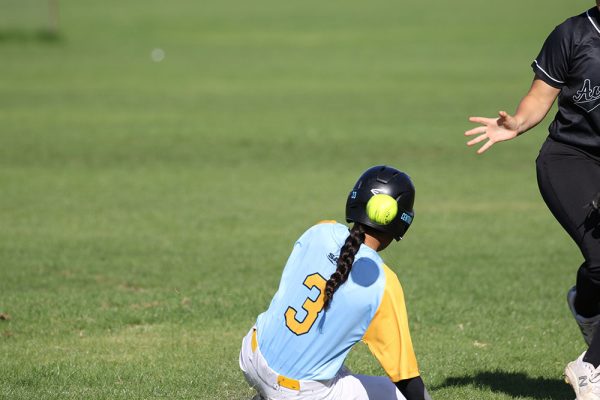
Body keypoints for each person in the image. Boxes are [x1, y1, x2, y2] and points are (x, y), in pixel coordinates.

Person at [464, 3, 600, 399]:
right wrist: (517, 123)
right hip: (569, 159)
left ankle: (588, 304)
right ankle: (590, 368)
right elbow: (538, 99)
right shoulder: (573, 34)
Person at [239, 165, 432, 400]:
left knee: (332, 367)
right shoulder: (383, 283)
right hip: (295, 392)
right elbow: (405, 377)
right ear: (400, 221)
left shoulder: (320, 230)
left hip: (251, 353)